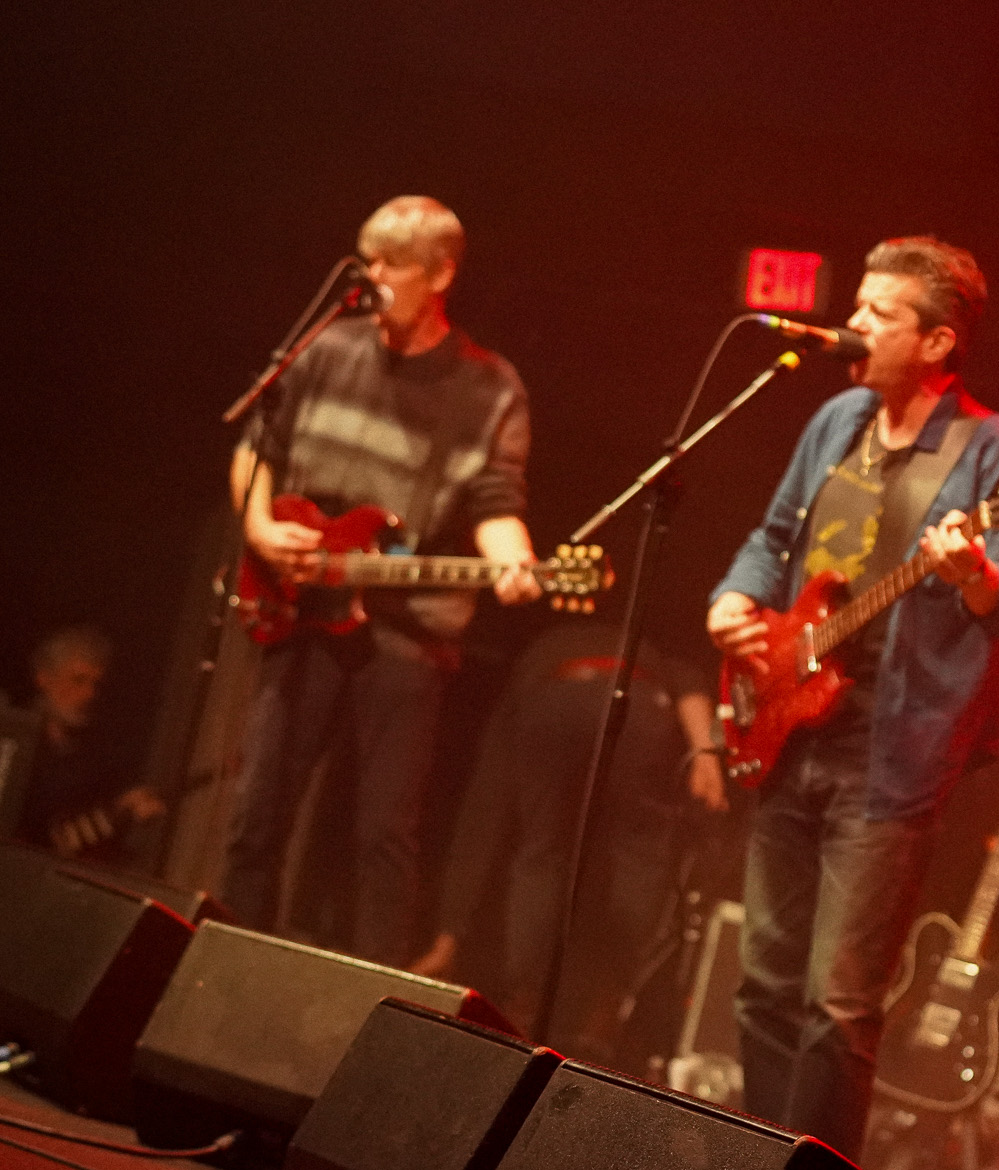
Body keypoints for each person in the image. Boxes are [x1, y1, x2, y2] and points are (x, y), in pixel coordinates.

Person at [707, 236, 999, 1161]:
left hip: (889, 757)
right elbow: (775, 538)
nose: (851, 324)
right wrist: (735, 598)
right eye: (857, 305)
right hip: (790, 730)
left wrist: (972, 570)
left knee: (839, 1003)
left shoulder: (994, 448)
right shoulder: (837, 420)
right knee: (763, 982)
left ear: (937, 342)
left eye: (877, 313)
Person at [222, 195, 540, 966]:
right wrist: (260, 530)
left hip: (408, 633)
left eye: (394, 263)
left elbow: (496, 501)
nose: (375, 276)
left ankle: (373, 1003)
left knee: (383, 835)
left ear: (441, 275)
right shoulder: (325, 348)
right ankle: (220, 970)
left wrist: (516, 558)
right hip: (300, 608)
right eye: (369, 259)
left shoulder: (489, 387)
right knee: (258, 812)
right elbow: (255, 449)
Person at [421, 618, 729, 1042]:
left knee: (542, 853)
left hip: (551, 697)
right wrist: (705, 754)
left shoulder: (541, 647)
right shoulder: (655, 643)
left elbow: (484, 811)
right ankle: (608, 1009)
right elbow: (689, 680)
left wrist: (448, 936)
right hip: (639, 699)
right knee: (640, 855)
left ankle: (525, 1005)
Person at [18, 624, 165, 863]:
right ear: (44, 678)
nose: (89, 694)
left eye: (95, 684)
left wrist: (125, 812)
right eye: (78, 680)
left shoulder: (100, 753)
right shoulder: (15, 743)